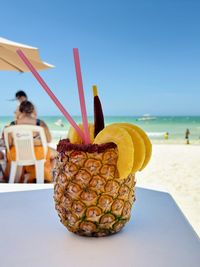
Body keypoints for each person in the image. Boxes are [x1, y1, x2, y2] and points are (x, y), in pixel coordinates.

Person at [5, 101, 53, 183]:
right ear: (32, 110)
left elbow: (9, 143)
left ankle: (17, 180)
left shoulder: (12, 125)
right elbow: (49, 140)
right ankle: (44, 178)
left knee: (13, 154)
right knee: (52, 155)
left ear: (20, 110)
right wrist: (36, 141)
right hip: (38, 155)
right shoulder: (40, 123)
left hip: (17, 155)